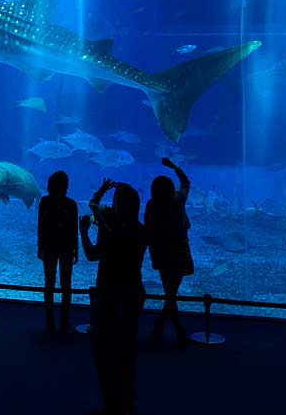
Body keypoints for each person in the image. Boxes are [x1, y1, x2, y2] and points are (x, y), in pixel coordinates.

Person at [80, 178, 147, 415]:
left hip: (109, 295)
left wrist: (84, 232)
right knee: (128, 347)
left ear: (117, 205)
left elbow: (91, 255)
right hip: (133, 293)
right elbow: (94, 204)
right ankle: (127, 399)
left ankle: (111, 404)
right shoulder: (140, 230)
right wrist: (103, 192)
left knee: (104, 350)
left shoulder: (111, 231)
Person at [144, 157, 193, 343]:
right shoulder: (178, 200)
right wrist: (174, 167)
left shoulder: (151, 204)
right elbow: (186, 182)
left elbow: (148, 229)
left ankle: (162, 326)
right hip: (180, 252)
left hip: (162, 253)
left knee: (169, 292)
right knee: (171, 293)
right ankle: (175, 329)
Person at [37, 169, 79, 333]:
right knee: (64, 284)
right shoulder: (71, 204)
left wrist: (39, 245)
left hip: (51, 247)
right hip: (64, 247)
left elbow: (40, 226)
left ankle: (52, 318)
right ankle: (62, 319)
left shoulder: (46, 202)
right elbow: (74, 229)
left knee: (51, 282)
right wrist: (76, 249)